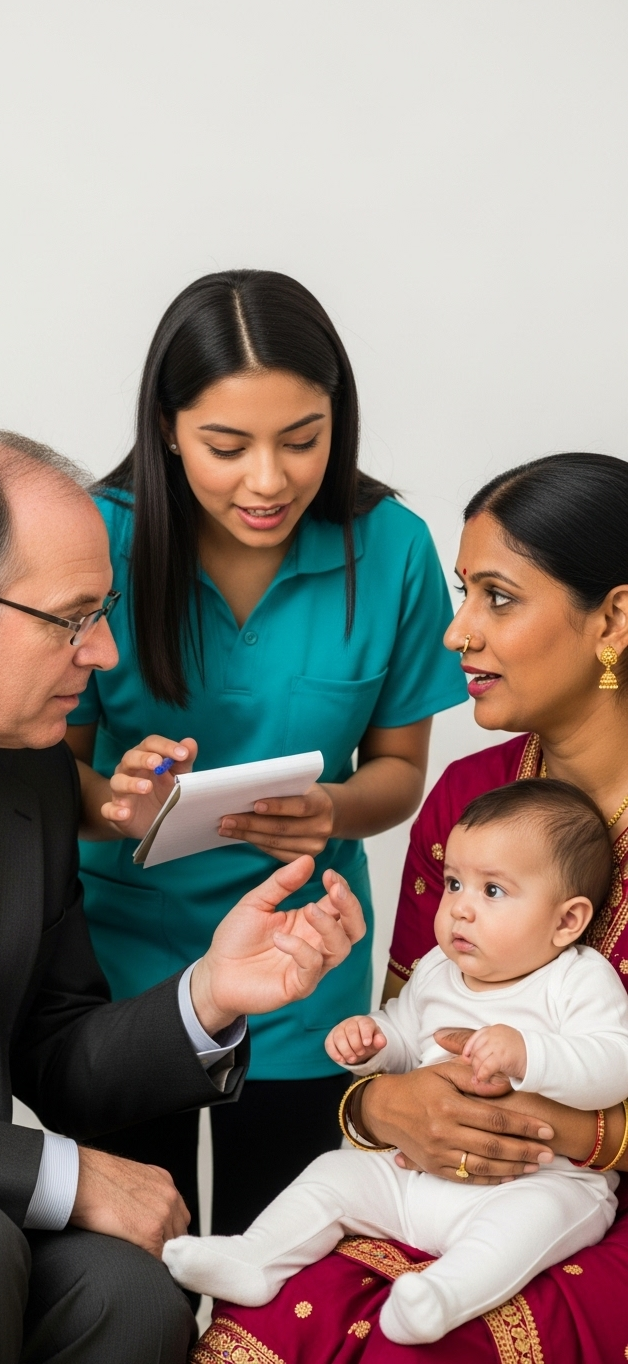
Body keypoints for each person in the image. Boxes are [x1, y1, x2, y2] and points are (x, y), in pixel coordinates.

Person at [0, 427, 367, 1364]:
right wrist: (63, 1171)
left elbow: (55, 1052)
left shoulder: (29, 778)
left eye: (107, 612)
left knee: (131, 1291)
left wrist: (213, 993)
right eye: (73, 617)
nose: (102, 653)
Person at [197, 452, 628, 1364]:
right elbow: (414, 1022)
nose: (454, 634)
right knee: (270, 1320)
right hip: (440, 1183)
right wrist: (384, 1106)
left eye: (497, 599)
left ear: (615, 618)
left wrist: (568, 1133)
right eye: (462, 592)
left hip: (583, 1207)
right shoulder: (471, 796)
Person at [66, 269, 467, 1238]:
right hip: (127, 964)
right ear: (167, 426)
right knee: (135, 1264)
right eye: (226, 444)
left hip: (304, 963)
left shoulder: (393, 546)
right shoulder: (96, 538)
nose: (269, 480)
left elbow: (399, 774)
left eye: (302, 439)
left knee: (283, 1257)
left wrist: (333, 809)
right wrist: (114, 799)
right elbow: (46, 770)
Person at [166, 779, 628, 1344]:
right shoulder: (437, 969)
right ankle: (256, 1258)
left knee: (526, 1226)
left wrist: (532, 1055)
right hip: (413, 1175)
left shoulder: (577, 979)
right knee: (335, 1174)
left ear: (566, 921)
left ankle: (440, 1298)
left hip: (531, 1180)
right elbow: (407, 1035)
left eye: (494, 892)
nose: (460, 908)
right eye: (455, 883)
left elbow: (614, 1062)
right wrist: (374, 1039)